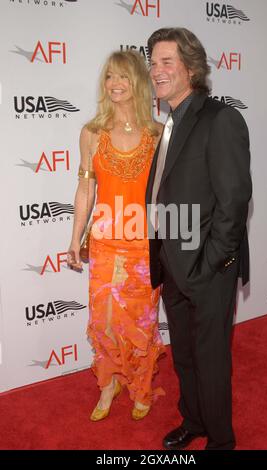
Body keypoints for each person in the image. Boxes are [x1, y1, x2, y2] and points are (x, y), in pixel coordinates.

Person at [146, 28, 252, 450]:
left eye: (166, 61)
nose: (156, 70)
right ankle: (194, 420)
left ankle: (221, 441)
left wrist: (210, 266)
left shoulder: (221, 119)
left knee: (210, 362)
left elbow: (233, 201)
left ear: (192, 67)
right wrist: (166, 257)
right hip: (172, 263)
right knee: (185, 355)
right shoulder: (171, 121)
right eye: (153, 62)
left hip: (208, 270)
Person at [67, 50, 165, 421]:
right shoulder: (92, 133)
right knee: (106, 320)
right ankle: (109, 385)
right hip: (106, 242)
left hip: (144, 244)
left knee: (142, 321)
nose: (115, 84)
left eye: (123, 76)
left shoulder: (157, 134)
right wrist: (75, 238)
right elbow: (85, 191)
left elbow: (166, 192)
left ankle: (140, 385)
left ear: (138, 82)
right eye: (109, 76)